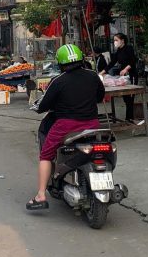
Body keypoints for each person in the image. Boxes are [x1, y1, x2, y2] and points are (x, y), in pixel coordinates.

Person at [26, 44, 105, 210]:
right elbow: (100, 96)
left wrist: (37, 106)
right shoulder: (93, 76)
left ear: (60, 63)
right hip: (92, 123)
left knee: (46, 155)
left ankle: (41, 195)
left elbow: (43, 105)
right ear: (81, 59)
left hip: (66, 125)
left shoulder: (58, 81)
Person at [99, 33, 137, 122]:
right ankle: (128, 118)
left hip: (131, 75)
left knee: (130, 98)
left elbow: (133, 61)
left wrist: (126, 69)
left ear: (122, 41)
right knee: (126, 98)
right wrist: (102, 72)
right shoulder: (118, 51)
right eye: (114, 40)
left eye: (116, 40)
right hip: (123, 77)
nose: (115, 42)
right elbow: (111, 63)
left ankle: (129, 119)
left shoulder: (129, 48)